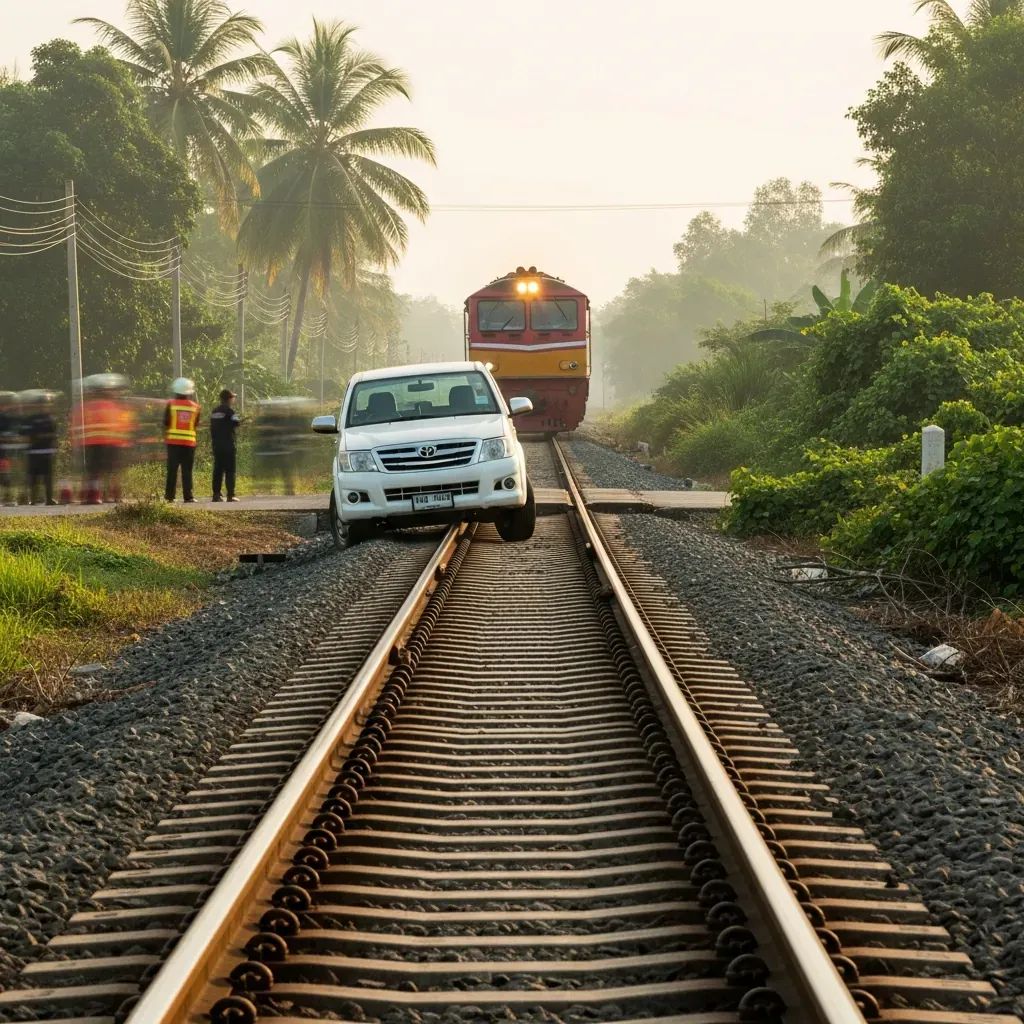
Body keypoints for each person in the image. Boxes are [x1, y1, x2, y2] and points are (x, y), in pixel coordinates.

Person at [164, 377, 200, 503]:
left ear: (176, 391)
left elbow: (166, 422)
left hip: (173, 443)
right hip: (189, 443)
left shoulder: (171, 404)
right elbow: (196, 424)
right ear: (190, 392)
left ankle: (170, 497)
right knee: (187, 471)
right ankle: (188, 496)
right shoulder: (195, 407)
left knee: (172, 470)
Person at [20, 391, 58, 505]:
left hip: (46, 451)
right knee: (34, 477)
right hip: (34, 452)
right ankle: (33, 499)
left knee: (48, 477)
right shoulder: (30, 419)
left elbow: (54, 435)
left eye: (45, 405)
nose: (43, 407)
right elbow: (24, 434)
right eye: (41, 405)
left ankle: (49, 498)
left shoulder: (51, 419)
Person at [210, 388, 240, 502]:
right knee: (230, 470)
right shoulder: (230, 411)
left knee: (218, 470)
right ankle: (230, 495)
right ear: (228, 399)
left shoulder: (214, 411)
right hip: (228, 445)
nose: (233, 400)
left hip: (217, 445)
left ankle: (216, 495)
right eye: (232, 397)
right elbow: (236, 423)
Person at [0, 392, 18, 506]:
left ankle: (7, 497)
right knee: (4, 474)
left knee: (4, 473)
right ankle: (7, 498)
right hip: (3, 450)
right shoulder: (5, 417)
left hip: (4, 450)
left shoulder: (6, 417)